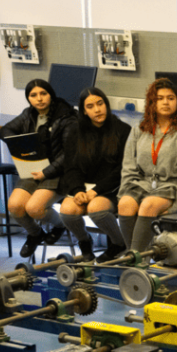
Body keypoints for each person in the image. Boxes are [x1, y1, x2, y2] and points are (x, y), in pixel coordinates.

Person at [118, 78, 177, 252]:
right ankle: (134, 255)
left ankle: (137, 260)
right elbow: (128, 167)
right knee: (125, 204)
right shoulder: (139, 129)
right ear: (152, 103)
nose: (165, 102)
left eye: (171, 98)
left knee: (148, 205)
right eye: (160, 98)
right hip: (143, 184)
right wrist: (126, 191)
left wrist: (174, 208)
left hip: (172, 186)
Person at [0, 79, 77, 259]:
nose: (39, 99)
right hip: (34, 169)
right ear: (28, 98)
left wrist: (46, 172)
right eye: (33, 95)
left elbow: (69, 154)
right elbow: (5, 130)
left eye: (43, 94)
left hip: (58, 172)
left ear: (51, 94)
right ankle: (35, 234)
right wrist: (22, 145)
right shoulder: (29, 114)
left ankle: (61, 225)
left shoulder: (67, 117)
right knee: (15, 206)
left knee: (34, 208)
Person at [58, 87, 131, 262]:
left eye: (100, 104)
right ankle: (84, 241)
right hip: (84, 187)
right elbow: (70, 167)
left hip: (112, 187)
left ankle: (119, 243)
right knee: (67, 211)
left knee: (96, 209)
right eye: (90, 106)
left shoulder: (123, 130)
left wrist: (96, 191)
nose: (97, 110)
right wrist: (77, 190)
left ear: (106, 104)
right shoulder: (75, 131)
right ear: (84, 111)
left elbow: (122, 169)